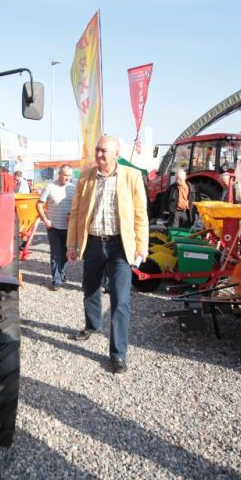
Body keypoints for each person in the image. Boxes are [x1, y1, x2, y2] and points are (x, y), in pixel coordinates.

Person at [66, 135, 149, 374]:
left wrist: (141, 246)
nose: (99, 154)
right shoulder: (86, 176)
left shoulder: (131, 177)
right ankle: (92, 326)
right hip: (92, 243)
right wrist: (72, 244)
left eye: (104, 151)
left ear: (116, 154)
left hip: (120, 247)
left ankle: (118, 354)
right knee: (89, 288)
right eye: (97, 150)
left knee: (120, 300)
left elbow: (140, 214)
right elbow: (76, 211)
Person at [36, 165, 76, 290]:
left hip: (69, 228)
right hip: (53, 227)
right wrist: (45, 220)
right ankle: (56, 280)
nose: (67, 178)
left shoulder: (73, 188)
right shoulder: (50, 187)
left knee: (65, 254)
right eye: (65, 175)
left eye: (70, 176)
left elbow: (77, 207)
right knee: (55, 253)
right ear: (59, 174)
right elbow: (39, 205)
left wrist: (73, 215)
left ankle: (61, 273)